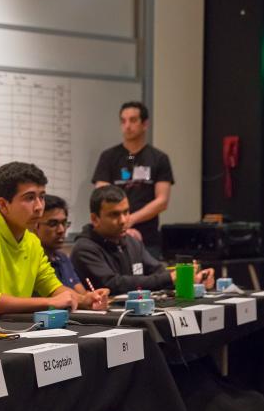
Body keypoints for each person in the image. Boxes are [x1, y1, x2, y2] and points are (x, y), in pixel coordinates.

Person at [0, 162, 106, 321]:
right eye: (30, 198)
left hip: (13, 330)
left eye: (42, 197)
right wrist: (49, 303)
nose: (39, 207)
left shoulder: (31, 239)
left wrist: (84, 300)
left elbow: (52, 286)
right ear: (3, 204)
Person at [70, 185, 213, 295]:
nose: (123, 220)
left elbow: (158, 271)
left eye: (126, 212)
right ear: (95, 219)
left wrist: (190, 276)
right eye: (114, 215)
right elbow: (113, 284)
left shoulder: (131, 242)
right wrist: (171, 278)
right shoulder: (84, 248)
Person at [92, 101, 174, 258]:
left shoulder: (159, 158)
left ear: (145, 124)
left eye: (133, 120)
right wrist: (122, 223)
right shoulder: (108, 157)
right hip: (113, 238)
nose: (127, 126)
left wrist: (131, 219)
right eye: (123, 121)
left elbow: (162, 201)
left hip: (148, 240)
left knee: (152, 280)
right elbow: (101, 195)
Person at [32, 194, 109, 306]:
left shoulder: (62, 258)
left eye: (64, 223)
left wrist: (94, 297)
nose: (61, 230)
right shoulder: (33, 260)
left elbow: (82, 294)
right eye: (53, 224)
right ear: (35, 225)